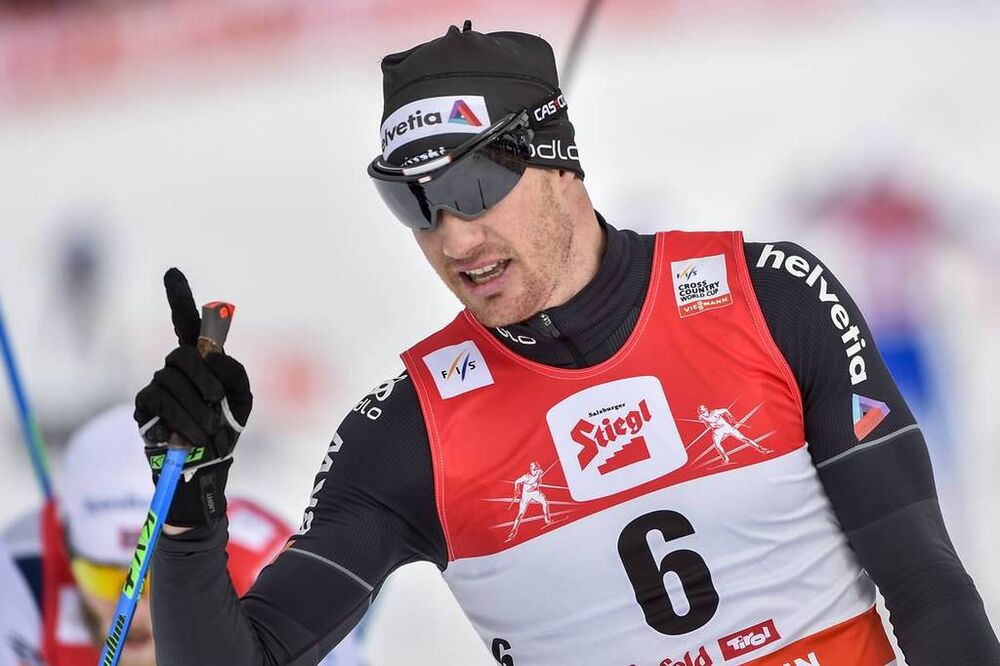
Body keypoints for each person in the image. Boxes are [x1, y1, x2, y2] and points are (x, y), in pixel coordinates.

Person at [132, 22, 1000, 666]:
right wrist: (188, 505)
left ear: (558, 159)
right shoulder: (403, 436)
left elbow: (928, 587)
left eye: (474, 183)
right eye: (415, 205)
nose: (454, 237)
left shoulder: (769, 297)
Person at [1, 405, 361, 666]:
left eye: (151, 578)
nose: (133, 608)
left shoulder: (264, 574)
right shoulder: (20, 584)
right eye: (103, 577)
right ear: (66, 548)